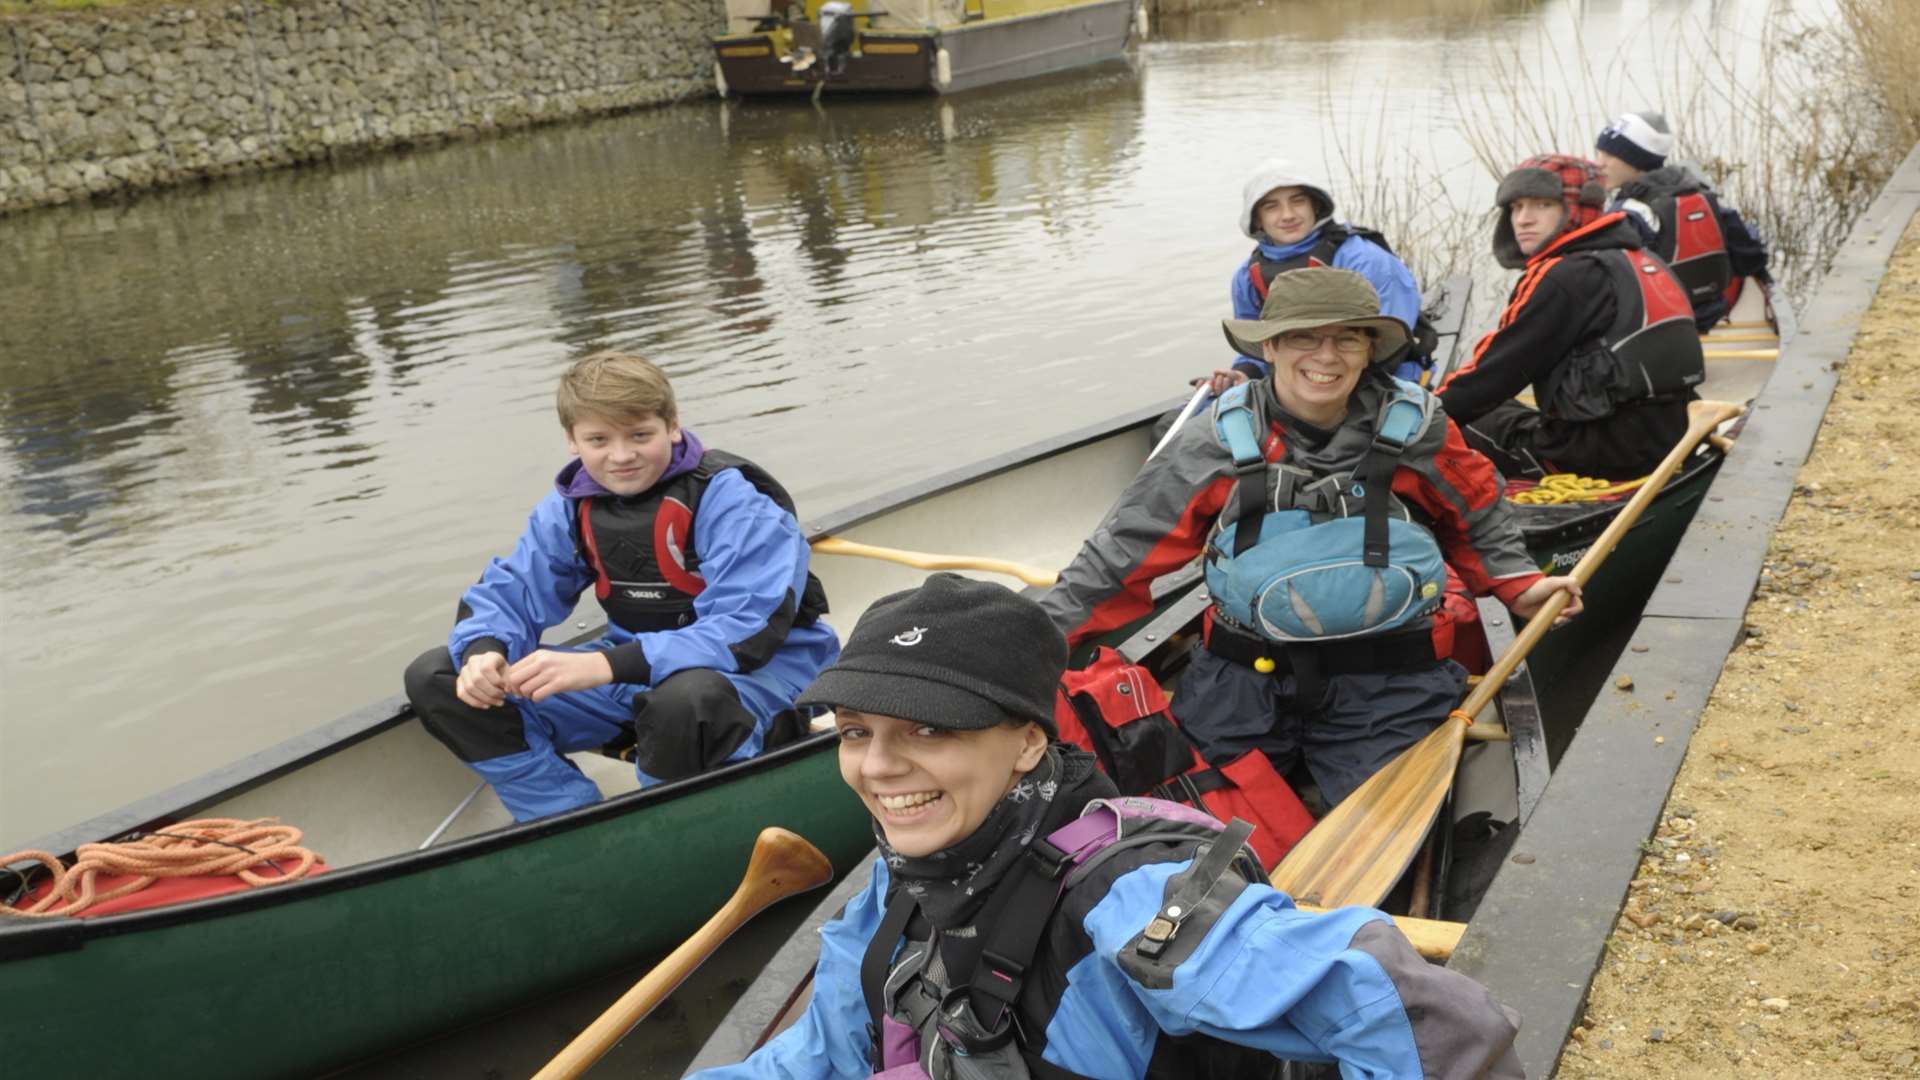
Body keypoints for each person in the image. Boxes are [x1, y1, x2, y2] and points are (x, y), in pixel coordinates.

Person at [693, 573, 1529, 1079]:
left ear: (1027, 742)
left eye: (929, 731)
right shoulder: (906, 874)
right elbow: (829, 1055)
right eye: (855, 732)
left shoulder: (1131, 894)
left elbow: (1431, 1023)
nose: (877, 767)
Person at [1045, 268, 1582, 815]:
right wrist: (1037, 636)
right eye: (1305, 337)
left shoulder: (1417, 425)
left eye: (1347, 338)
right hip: (1242, 677)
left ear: (1369, 349)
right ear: (1271, 346)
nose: (1326, 357)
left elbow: (1478, 512)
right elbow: (1123, 551)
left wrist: (1520, 585)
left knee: (1375, 828)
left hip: (1390, 679)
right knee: (1204, 824)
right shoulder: (1215, 437)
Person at [402, 352, 839, 822]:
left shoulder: (733, 502)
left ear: (672, 425)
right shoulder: (572, 505)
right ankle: (564, 819)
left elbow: (745, 631)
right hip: (633, 670)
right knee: (437, 677)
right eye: (598, 439)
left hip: (764, 674)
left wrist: (607, 664)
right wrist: (484, 650)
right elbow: (512, 589)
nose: (622, 455)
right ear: (572, 441)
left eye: (640, 435)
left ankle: (669, 825)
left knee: (688, 701)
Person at [1437, 154, 1705, 481]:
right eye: (1517, 207)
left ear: (1576, 210)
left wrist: (1417, 416)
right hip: (1675, 439)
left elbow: (1493, 375)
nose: (1523, 219)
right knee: (1503, 410)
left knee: (1461, 422)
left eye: (1542, 205)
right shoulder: (1639, 258)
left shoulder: (1561, 277)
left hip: (1598, 457)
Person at [1199, 159, 1427, 395]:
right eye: (1271, 206)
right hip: (1300, 377)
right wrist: (1244, 373)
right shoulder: (1247, 276)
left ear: (1315, 206)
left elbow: (1390, 344)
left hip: (1380, 373)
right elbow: (1257, 346)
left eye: (1298, 201)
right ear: (1257, 219)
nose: (1287, 215)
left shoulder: (1366, 260)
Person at [1593, 111, 1773, 329]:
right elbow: (1751, 258)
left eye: (1609, 156)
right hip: (1710, 314)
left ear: (1637, 162)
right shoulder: (1701, 196)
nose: (1598, 164)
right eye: (1599, 153)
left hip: (1661, 325)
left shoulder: (1628, 214)